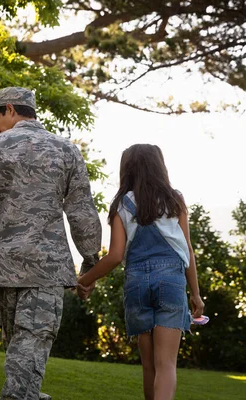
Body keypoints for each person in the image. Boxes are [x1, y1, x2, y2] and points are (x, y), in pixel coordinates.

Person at [0, 87, 102, 400]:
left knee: (20, 352)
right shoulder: (67, 150)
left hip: (2, 268)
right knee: (29, 352)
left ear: (10, 109)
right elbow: (81, 210)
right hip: (46, 269)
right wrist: (90, 260)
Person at [77, 144, 204, 400]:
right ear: (159, 166)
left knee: (149, 367)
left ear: (127, 170)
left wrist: (84, 281)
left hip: (137, 284)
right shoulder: (174, 199)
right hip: (171, 281)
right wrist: (196, 295)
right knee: (166, 365)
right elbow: (187, 250)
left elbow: (114, 256)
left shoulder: (121, 204)